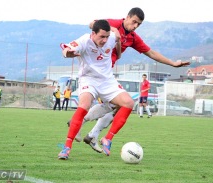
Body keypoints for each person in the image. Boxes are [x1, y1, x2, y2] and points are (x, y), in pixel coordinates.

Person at [74, 7, 191, 152]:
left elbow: (151, 53)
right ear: (127, 17)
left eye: (139, 24)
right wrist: (112, 30)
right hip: (95, 74)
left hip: (106, 75)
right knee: (113, 104)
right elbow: (92, 24)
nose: (135, 26)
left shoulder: (132, 37)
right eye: (134, 22)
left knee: (118, 107)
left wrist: (173, 63)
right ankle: (82, 125)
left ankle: (93, 134)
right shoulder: (115, 24)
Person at [58, 19, 134, 160]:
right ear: (93, 34)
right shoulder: (84, 41)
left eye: (107, 36)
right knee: (84, 105)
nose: (105, 40)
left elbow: (116, 40)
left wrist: (117, 45)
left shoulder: (111, 37)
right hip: (89, 79)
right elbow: (66, 49)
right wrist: (67, 53)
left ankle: (107, 138)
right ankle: (66, 147)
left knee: (128, 103)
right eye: (101, 37)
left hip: (107, 80)